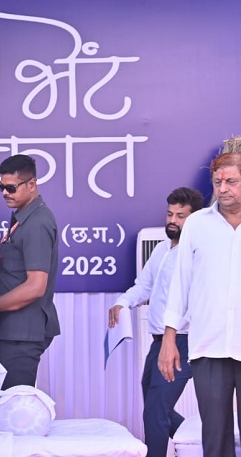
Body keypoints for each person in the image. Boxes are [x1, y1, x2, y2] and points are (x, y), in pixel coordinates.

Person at [108, 187, 203, 457]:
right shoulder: (162, 249)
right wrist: (123, 302)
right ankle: (199, 445)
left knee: (155, 411)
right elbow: (144, 286)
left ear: (194, 219)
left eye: (180, 216)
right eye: (170, 214)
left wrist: (175, 337)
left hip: (182, 341)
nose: (172, 220)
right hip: (158, 342)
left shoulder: (196, 253)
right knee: (154, 406)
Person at [159, 152, 241, 457]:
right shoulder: (196, 224)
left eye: (231, 181)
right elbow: (180, 283)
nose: (223, 189)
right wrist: (169, 338)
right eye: (218, 182)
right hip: (208, 345)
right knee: (215, 438)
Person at [0, 154, 60, 390]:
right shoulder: (23, 217)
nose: (5, 193)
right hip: (16, 330)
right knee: (7, 401)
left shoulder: (37, 222)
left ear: (31, 184)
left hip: (24, 332)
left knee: (14, 404)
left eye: (11, 188)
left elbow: (35, 287)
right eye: (1, 187)